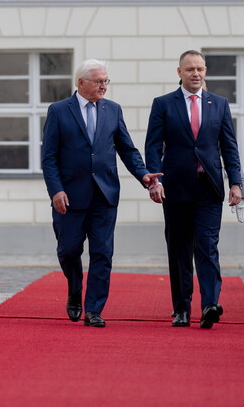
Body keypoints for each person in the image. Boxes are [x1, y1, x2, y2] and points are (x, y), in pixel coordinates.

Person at [42, 59, 161, 328]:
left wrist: (144, 175)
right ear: (81, 82)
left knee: (102, 253)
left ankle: (93, 309)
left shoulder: (113, 110)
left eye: (106, 81)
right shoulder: (59, 111)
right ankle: (75, 287)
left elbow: (127, 149)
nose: (104, 86)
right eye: (98, 81)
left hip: (104, 195)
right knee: (68, 250)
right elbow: (48, 158)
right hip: (69, 196)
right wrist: (56, 190)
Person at [145, 50, 243, 329]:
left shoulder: (219, 104)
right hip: (174, 189)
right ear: (179, 73)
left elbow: (230, 147)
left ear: (206, 71)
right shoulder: (163, 104)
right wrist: (155, 181)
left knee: (207, 246)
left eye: (200, 69)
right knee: (179, 250)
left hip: (209, 187)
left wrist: (236, 182)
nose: (196, 74)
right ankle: (182, 309)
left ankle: (211, 304)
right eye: (190, 69)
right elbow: (153, 146)